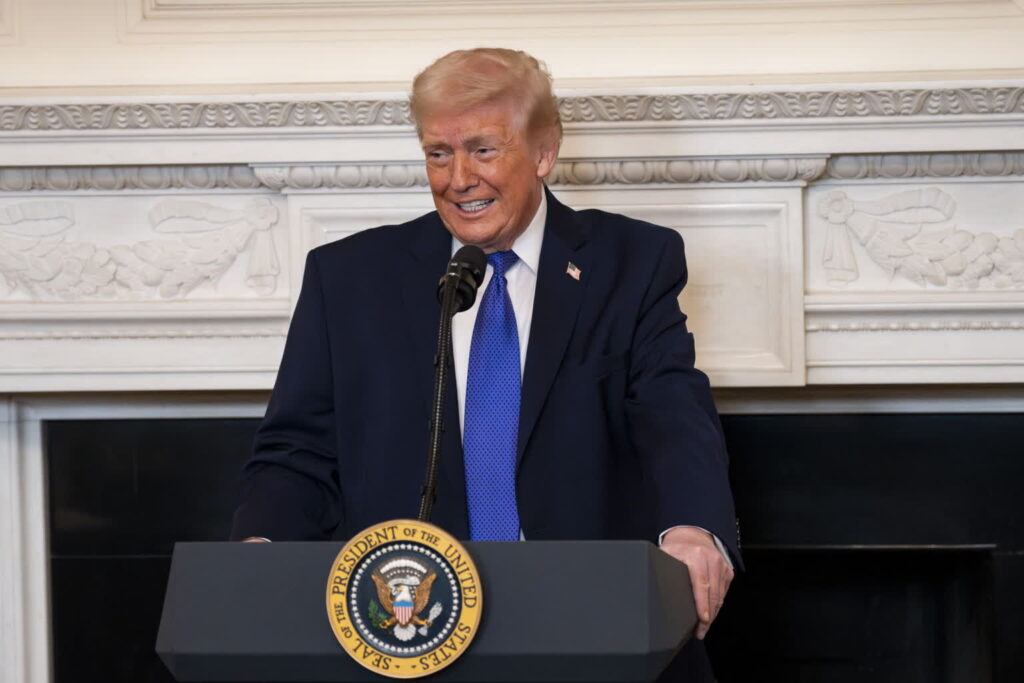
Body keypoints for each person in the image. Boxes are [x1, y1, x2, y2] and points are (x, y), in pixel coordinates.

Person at [231, 48, 739, 681]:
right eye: (438, 154)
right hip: (412, 634)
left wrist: (692, 528)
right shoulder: (349, 278)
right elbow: (297, 450)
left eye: (483, 150)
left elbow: (673, 414)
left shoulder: (632, 261)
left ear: (544, 152)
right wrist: (261, 548)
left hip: (593, 626)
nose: (458, 178)